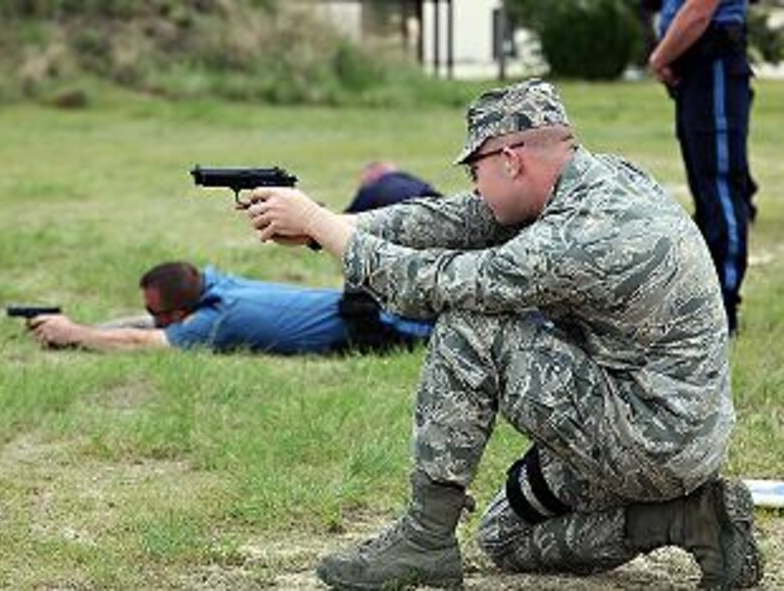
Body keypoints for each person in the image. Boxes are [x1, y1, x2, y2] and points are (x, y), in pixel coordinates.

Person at [245, 79, 763, 589]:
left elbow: (428, 285)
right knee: (503, 539)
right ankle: (687, 519)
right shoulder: (601, 180)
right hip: (668, 430)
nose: (474, 186)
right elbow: (457, 219)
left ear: (511, 161)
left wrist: (315, 219)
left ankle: (424, 540)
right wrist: (327, 225)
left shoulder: (577, 236)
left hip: (647, 439)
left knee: (470, 325)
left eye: (476, 170)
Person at [28, 261, 432, 354]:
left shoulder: (219, 319)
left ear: (184, 312)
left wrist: (74, 335)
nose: (156, 319)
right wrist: (85, 325)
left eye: (162, 314)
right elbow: (150, 324)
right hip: (365, 304)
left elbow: (140, 341)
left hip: (378, 328)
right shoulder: (219, 284)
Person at [648, 0, 757, 333]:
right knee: (706, 192)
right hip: (695, 68)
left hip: (715, 61)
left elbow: (699, 10)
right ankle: (706, 303)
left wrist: (660, 56)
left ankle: (724, 306)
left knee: (720, 186)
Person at [345, 161, 442, 214]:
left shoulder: (374, 187)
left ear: (375, 172)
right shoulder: (407, 178)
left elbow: (350, 215)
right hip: (434, 203)